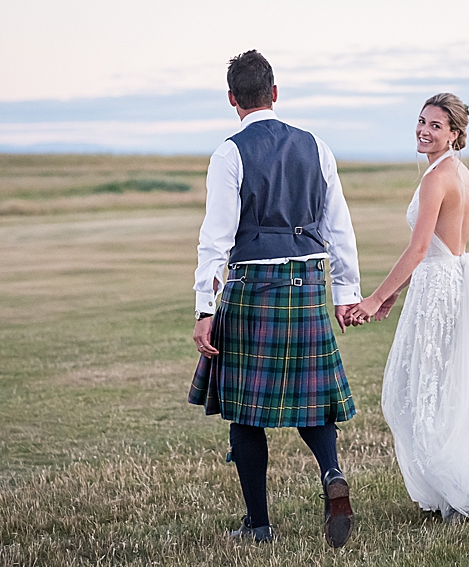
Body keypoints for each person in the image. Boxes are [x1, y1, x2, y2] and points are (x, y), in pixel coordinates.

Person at [188, 50, 361, 547]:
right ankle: (330, 472)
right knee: (313, 402)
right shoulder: (317, 146)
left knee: (244, 411)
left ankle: (260, 526)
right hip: (308, 284)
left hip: (253, 289)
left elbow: (214, 239)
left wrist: (204, 306)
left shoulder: (229, 153)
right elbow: (339, 227)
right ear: (275, 93)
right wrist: (345, 293)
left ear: (232, 99)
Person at [347, 93, 469, 521]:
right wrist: (399, 292)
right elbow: (437, 245)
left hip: (440, 286)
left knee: (427, 391)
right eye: (421, 121)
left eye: (436, 125)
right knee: (447, 385)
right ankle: (458, 489)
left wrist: (375, 298)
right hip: (448, 278)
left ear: (455, 134)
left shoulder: (435, 178)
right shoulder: (458, 172)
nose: (424, 130)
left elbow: (420, 249)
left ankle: (459, 489)